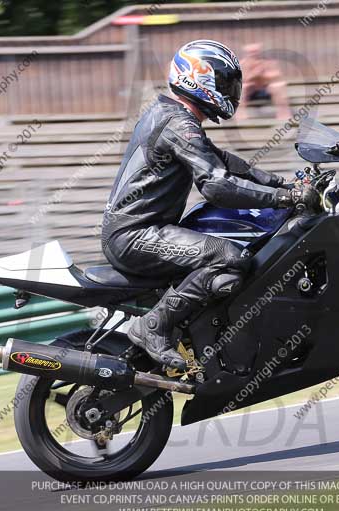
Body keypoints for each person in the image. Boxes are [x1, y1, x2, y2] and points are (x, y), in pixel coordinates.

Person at [102, 40, 317, 371]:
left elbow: (223, 162)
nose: (232, 91)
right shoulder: (178, 123)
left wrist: (281, 184)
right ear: (198, 78)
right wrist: (286, 198)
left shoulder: (173, 115)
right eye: (224, 83)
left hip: (139, 230)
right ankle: (153, 326)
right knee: (229, 257)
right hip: (135, 235)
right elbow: (218, 186)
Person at [238, 43, 292, 121]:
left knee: (277, 86)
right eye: (251, 52)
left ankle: (283, 113)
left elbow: (277, 74)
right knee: (242, 87)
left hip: (266, 90)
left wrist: (264, 75)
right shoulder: (243, 64)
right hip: (251, 92)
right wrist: (253, 75)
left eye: (255, 51)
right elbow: (241, 78)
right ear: (247, 53)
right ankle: (241, 115)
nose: (253, 54)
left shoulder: (268, 62)